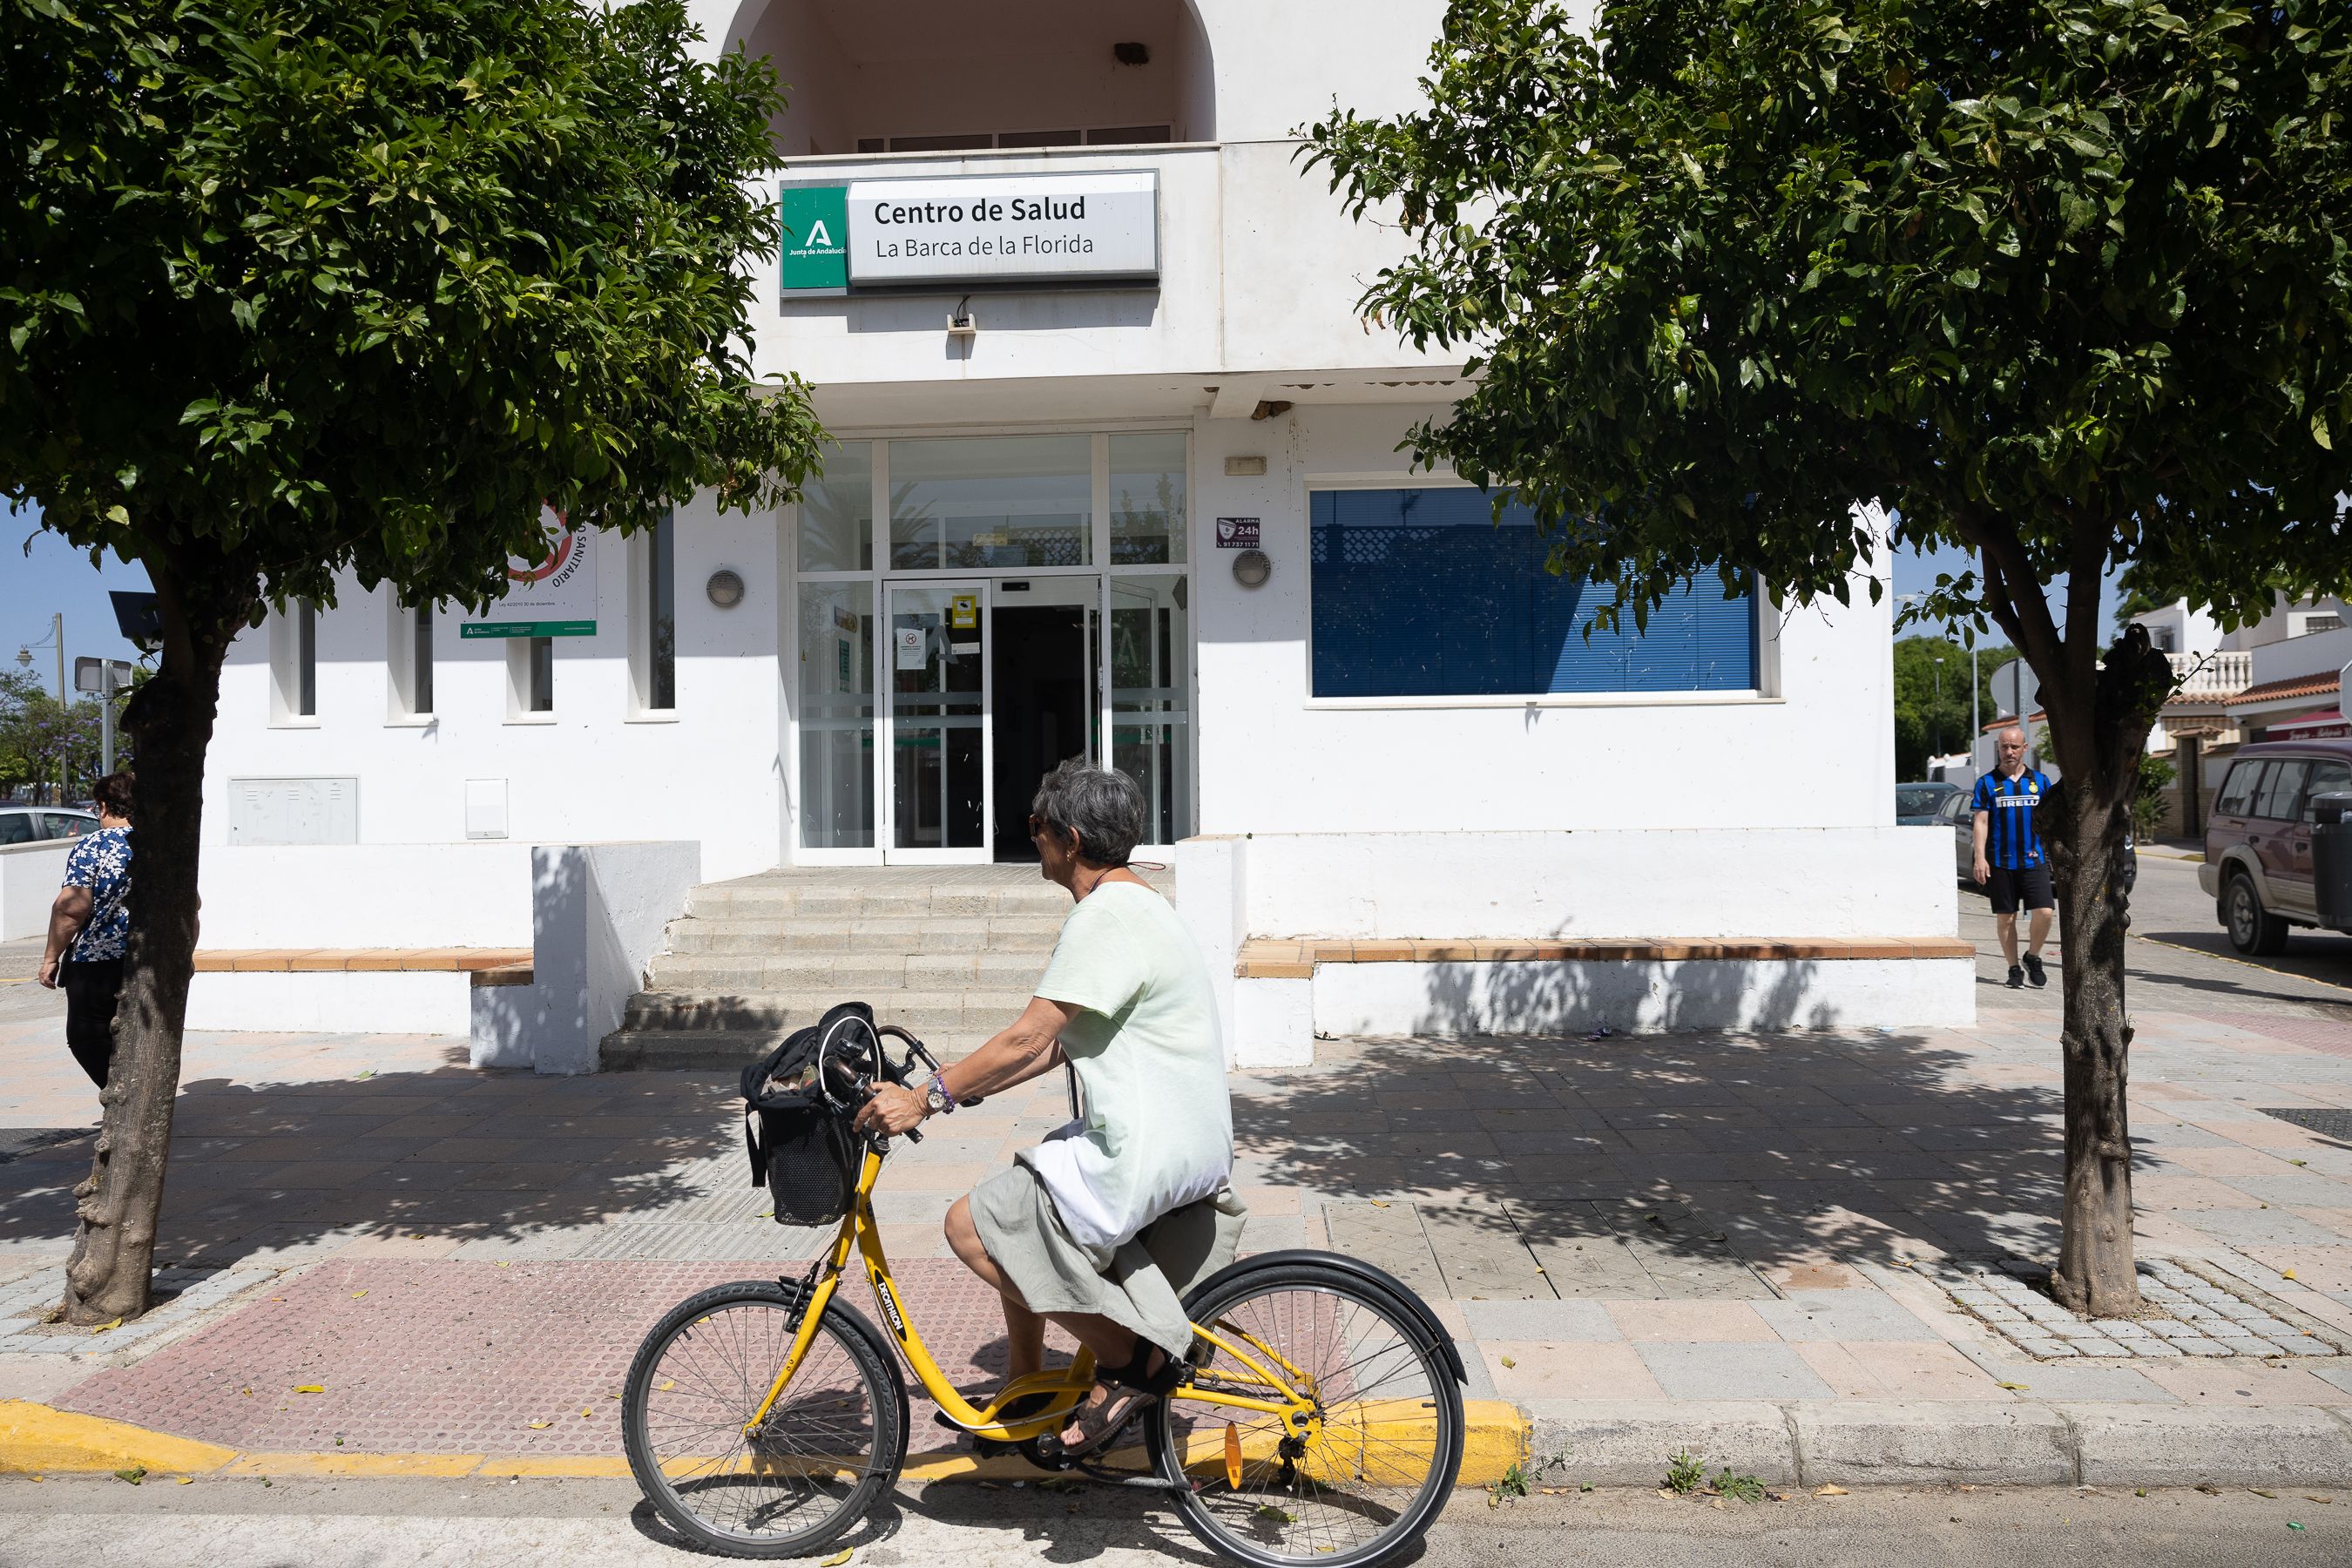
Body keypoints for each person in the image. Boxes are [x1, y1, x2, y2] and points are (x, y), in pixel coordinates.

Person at [854, 758, 1243, 1451]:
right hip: (1187, 1137)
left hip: (1144, 1147)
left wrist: (922, 1097)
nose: (1029, 838)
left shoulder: (1106, 918)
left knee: (969, 1226)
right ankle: (1027, 1382)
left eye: (1034, 827)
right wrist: (954, 1092)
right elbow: (1052, 1047)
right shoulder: (1143, 903)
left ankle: (1134, 1359)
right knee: (1016, 1202)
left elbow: (1029, 1033)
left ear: (1066, 837)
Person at [38, 770, 135, 1086]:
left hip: (97, 963)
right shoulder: (160, 848)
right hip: (149, 959)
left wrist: (51, 957)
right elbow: (191, 906)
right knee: (140, 1035)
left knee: (87, 1036)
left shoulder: (94, 845)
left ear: (104, 807)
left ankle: (122, 1097)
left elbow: (71, 908)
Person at [1971, 727, 2053, 989]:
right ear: (1999, 748)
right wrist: (1980, 858)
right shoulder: (1987, 783)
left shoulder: (2041, 782)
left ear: (2025, 748)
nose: (2009, 752)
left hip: (2034, 860)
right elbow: (1981, 822)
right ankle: (2013, 968)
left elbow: (2052, 821)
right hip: (2000, 862)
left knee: (2045, 912)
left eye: (2014, 747)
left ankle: (2033, 956)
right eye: (2004, 746)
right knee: (2006, 918)